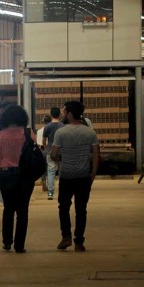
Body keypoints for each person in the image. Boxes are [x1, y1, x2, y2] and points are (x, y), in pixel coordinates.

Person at [50, 101, 100, 252]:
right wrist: (93, 174)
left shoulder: (61, 132)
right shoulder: (90, 132)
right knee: (81, 209)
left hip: (66, 176)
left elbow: (53, 154)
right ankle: (79, 241)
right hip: (84, 176)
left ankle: (66, 236)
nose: (63, 114)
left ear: (70, 113)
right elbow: (96, 155)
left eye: (65, 111)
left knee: (63, 207)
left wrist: (60, 162)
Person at [0, 105, 36, 253]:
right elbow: (34, 154)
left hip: (6, 175)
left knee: (8, 209)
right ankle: (19, 245)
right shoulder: (29, 134)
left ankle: (6, 242)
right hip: (25, 176)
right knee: (23, 211)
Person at [42, 107, 64, 200]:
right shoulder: (63, 125)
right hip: (62, 151)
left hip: (50, 151)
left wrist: (47, 149)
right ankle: (63, 191)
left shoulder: (47, 126)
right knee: (62, 172)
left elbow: (44, 141)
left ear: (51, 114)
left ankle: (50, 193)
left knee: (51, 172)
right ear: (59, 115)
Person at [37, 115, 52, 192]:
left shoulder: (39, 131)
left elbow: (38, 143)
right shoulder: (51, 130)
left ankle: (43, 183)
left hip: (41, 150)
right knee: (50, 168)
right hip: (48, 150)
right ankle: (49, 184)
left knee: (43, 169)